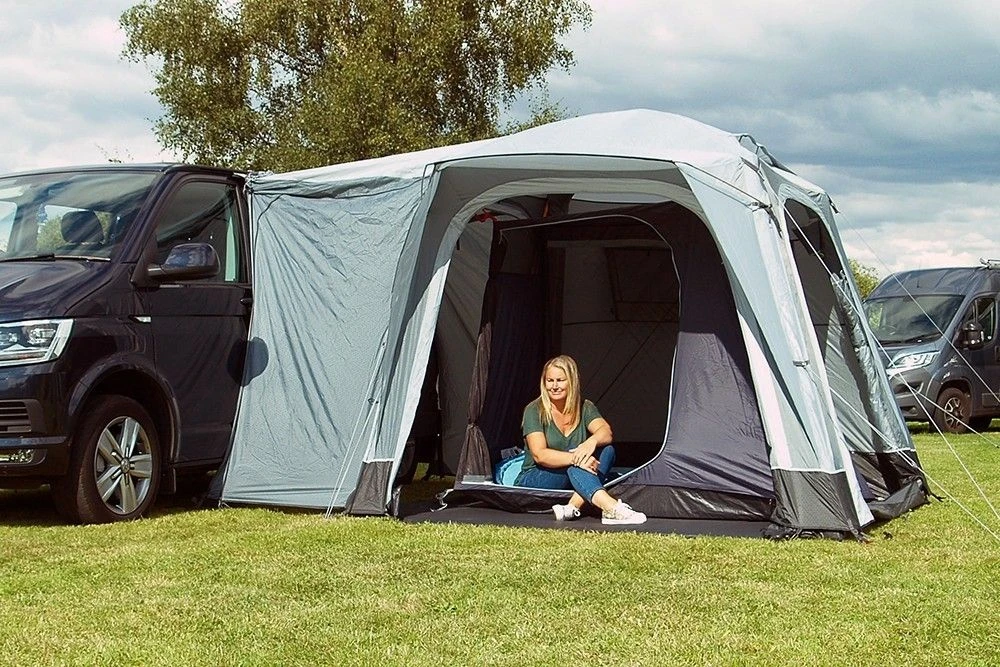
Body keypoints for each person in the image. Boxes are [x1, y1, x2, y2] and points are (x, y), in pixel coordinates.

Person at [514, 355, 647, 525]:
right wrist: (577, 459)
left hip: (571, 470)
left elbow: (606, 432)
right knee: (577, 465)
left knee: (607, 450)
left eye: (560, 380)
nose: (554, 386)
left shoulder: (585, 407)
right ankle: (610, 507)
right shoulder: (534, 410)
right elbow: (540, 455)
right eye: (550, 381)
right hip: (536, 476)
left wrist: (589, 443)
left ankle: (571, 507)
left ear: (572, 382)